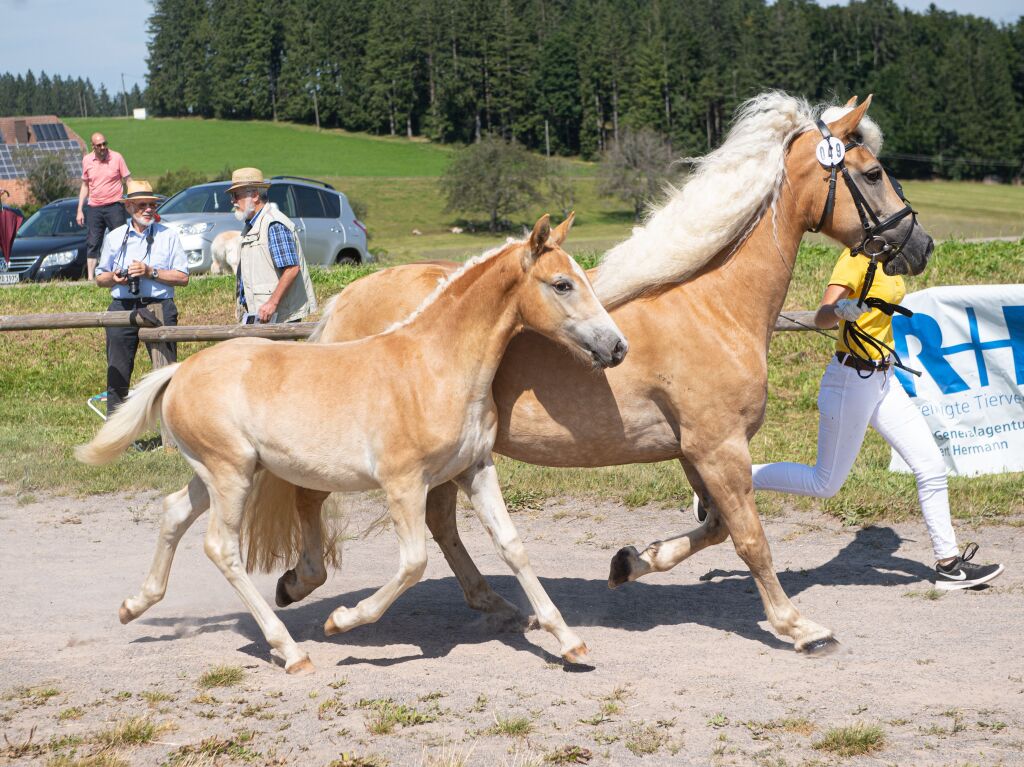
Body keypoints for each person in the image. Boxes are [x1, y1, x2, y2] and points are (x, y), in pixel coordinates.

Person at [695, 247, 1004, 592]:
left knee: (930, 465)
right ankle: (719, 481)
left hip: (884, 380)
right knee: (824, 483)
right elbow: (822, 316)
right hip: (850, 382)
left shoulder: (892, 258)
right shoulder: (856, 258)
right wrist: (842, 311)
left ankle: (949, 565)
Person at [96, 180, 189, 415]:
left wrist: (150, 272)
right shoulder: (115, 237)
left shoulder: (168, 236)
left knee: (165, 372)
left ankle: (171, 430)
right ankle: (115, 430)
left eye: (152, 205)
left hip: (159, 306)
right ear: (128, 207)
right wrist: (115, 278)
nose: (148, 209)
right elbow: (99, 277)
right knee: (117, 371)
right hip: (122, 307)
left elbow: (183, 277)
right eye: (141, 205)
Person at [228, 167, 317, 323]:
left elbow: (291, 269)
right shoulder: (253, 224)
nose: (233, 201)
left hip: (277, 317)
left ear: (255, 196)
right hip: (262, 316)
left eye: (236, 195)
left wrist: (271, 303)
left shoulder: (273, 224)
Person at [77, 133, 131, 281]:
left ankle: (122, 273)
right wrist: (79, 209)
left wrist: (133, 200)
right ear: (93, 146)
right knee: (93, 242)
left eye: (104, 144)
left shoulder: (117, 157)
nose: (103, 147)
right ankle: (90, 278)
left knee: (120, 240)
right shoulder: (87, 160)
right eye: (99, 145)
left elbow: (128, 180)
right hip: (95, 207)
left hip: (115, 205)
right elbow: (85, 185)